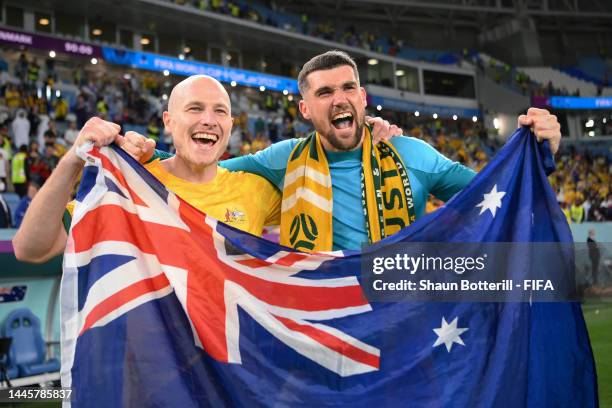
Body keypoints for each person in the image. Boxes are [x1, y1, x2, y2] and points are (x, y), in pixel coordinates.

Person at [126, 51, 561, 252]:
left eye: (348, 87)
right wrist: (145, 153)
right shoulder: (281, 159)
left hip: (401, 317)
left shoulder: (410, 152)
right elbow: (200, 166)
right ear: (304, 108)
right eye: (325, 91)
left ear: (363, 96)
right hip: (322, 320)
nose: (339, 99)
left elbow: (496, 196)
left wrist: (540, 151)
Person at [12, 76, 281, 263]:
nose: (209, 120)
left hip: (228, 345)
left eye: (220, 111)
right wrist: (74, 158)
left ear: (231, 125)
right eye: (195, 109)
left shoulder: (256, 190)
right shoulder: (129, 184)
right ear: (168, 121)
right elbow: (30, 249)